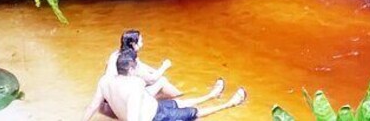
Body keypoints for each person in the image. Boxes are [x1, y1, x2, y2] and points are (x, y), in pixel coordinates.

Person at [82, 50, 247, 121]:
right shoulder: (134, 85)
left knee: (180, 103)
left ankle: (211, 95)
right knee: (195, 114)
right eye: (137, 66)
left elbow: (91, 107)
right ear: (131, 69)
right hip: (158, 118)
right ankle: (230, 104)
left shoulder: (105, 81)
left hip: (155, 108)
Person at [105, 30, 182, 98]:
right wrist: (164, 67)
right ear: (133, 44)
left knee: (153, 81)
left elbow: (140, 65)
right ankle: (179, 97)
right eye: (141, 41)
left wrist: (155, 71)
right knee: (162, 80)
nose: (142, 43)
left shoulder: (116, 54)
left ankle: (176, 97)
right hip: (125, 97)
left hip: (112, 94)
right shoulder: (131, 60)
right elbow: (152, 79)